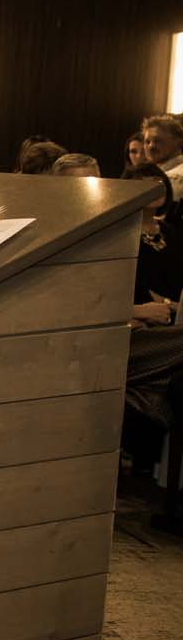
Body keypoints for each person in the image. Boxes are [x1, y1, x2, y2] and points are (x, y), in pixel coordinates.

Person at [121, 163, 183, 475]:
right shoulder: (119, 236)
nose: (154, 185)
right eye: (143, 181)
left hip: (172, 318)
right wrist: (138, 310)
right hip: (136, 325)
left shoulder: (171, 232)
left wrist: (170, 305)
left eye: (158, 179)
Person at [141, 113, 183, 192]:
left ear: (179, 142)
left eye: (157, 140)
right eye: (147, 141)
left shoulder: (175, 178)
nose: (151, 146)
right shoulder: (153, 175)